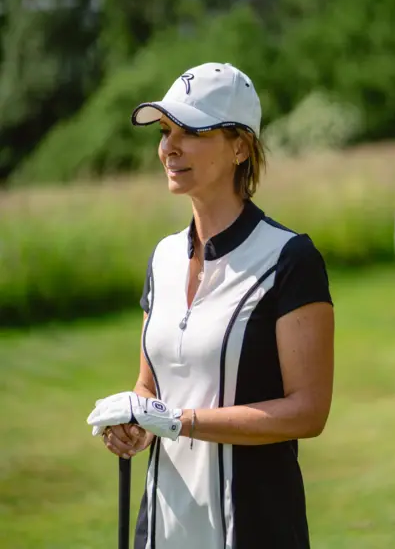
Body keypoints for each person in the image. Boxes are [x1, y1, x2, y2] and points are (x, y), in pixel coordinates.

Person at [87, 62, 334, 549]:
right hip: (163, 525)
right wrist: (138, 423)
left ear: (241, 146)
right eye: (164, 131)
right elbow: (151, 384)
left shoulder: (290, 258)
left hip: (256, 525)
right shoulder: (162, 258)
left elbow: (309, 412)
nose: (169, 147)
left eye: (191, 131)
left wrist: (179, 421)